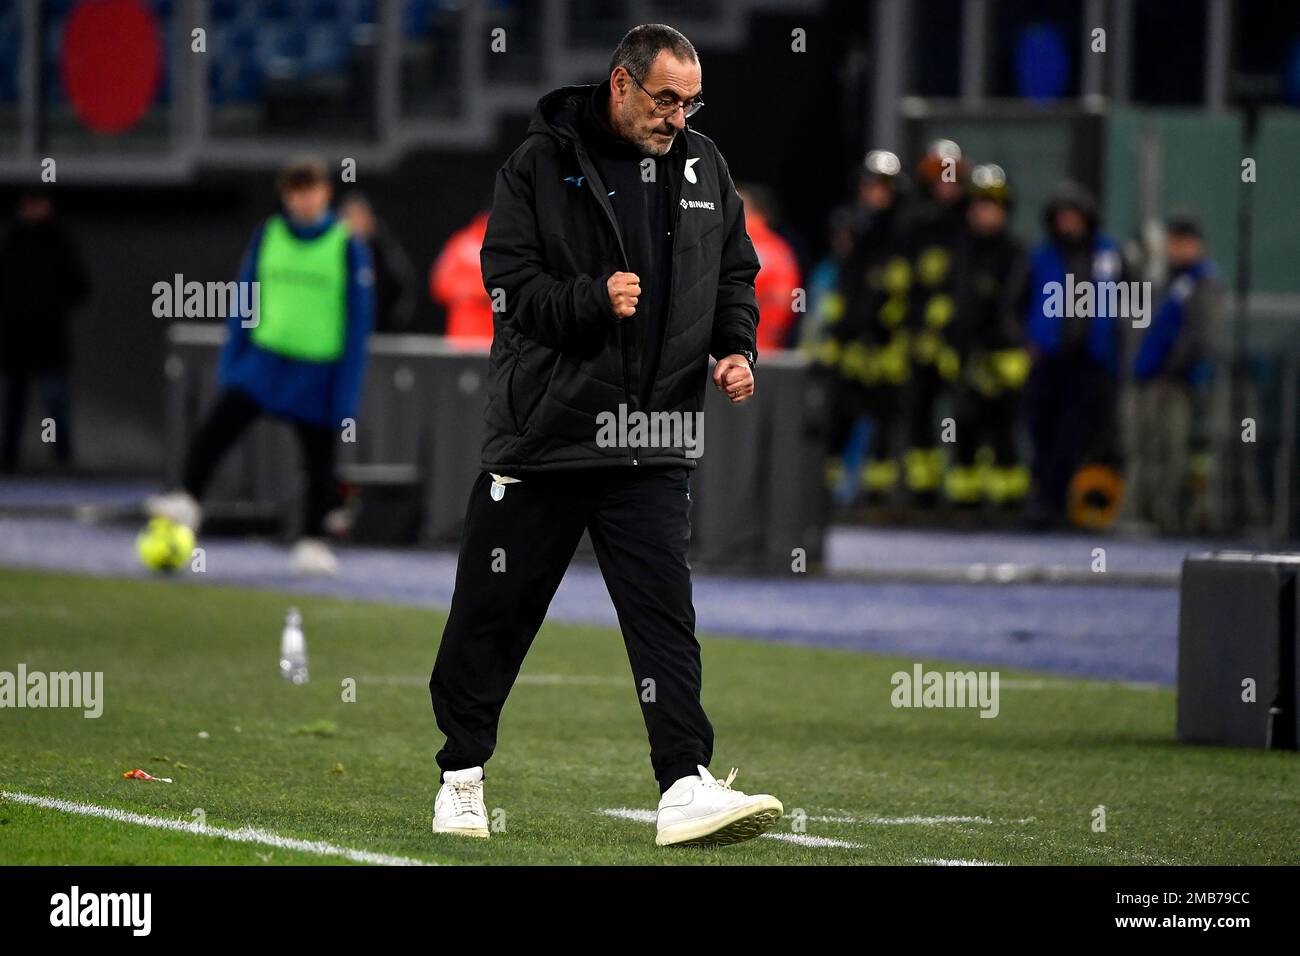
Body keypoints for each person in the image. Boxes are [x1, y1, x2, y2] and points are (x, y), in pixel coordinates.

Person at [427, 23, 782, 848]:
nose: (678, 117)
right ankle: (461, 774)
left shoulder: (705, 165)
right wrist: (589, 298)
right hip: (547, 434)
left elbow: (735, 270)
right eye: (666, 99)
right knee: (493, 613)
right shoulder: (537, 165)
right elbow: (506, 287)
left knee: (665, 618)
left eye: (691, 101)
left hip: (651, 436)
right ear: (621, 85)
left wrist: (735, 346)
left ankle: (685, 781)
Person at [147, 157, 375, 575]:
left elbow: (358, 323)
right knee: (217, 428)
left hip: (318, 370)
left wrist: (347, 390)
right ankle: (187, 499)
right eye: (295, 190)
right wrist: (234, 358)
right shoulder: (268, 235)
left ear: (326, 192)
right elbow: (245, 298)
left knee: (320, 460)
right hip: (265, 362)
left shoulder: (347, 247)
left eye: (311, 189)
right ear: (286, 195)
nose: (303, 198)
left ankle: (312, 540)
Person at [1024, 180, 1123, 526]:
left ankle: (1064, 504)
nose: (1068, 223)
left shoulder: (1108, 255)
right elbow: (1020, 302)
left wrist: (1115, 354)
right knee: (1043, 432)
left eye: (1073, 216)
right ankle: (1043, 502)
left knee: (1077, 436)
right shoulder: (1041, 256)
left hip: (1089, 362)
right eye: (1061, 216)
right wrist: (1029, 341)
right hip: (1050, 360)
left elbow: (1126, 309)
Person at [1129, 211, 1222, 533]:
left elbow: (1200, 336)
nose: (1178, 248)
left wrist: (1170, 371)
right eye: (1174, 241)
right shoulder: (1165, 279)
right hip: (1150, 379)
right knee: (1147, 448)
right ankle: (1148, 513)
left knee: (1175, 451)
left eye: (1185, 242)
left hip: (1180, 383)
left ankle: (1174, 518)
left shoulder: (1204, 281)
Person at [944, 165, 1031, 508]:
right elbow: (954, 302)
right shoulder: (961, 249)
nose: (984, 212)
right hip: (966, 355)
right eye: (979, 204)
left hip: (1002, 360)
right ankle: (965, 504)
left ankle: (1009, 504)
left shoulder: (1015, 252)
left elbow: (1016, 307)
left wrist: (1010, 356)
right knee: (964, 429)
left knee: (1004, 432)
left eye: (992, 205)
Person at [0, 192, 90, 472]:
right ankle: (8, 458)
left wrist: (51, 304)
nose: (37, 209)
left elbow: (79, 286)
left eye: (41, 203)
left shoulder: (59, 243)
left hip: (49, 338)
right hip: (15, 339)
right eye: (31, 204)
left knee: (55, 400)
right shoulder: (11, 241)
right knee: (12, 402)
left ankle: (62, 458)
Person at [901, 139, 968, 503]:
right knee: (920, 410)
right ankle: (923, 492)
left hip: (961, 338)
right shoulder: (915, 223)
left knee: (964, 414)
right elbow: (904, 283)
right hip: (920, 338)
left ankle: (964, 495)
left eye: (952, 178)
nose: (946, 185)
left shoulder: (969, 223)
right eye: (939, 178)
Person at [339, 191, 417, 333]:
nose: (355, 223)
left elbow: (401, 288)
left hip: (381, 334)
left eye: (360, 216)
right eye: (349, 217)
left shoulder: (385, 249)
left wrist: (391, 324)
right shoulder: (333, 251)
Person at [736, 184, 800, 351]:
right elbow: (794, 301)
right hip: (770, 351)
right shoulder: (782, 250)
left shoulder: (729, 245)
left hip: (727, 353)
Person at [429, 208, 494, 341]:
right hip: (462, 336)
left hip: (497, 338)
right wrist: (474, 290)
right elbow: (439, 285)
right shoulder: (461, 242)